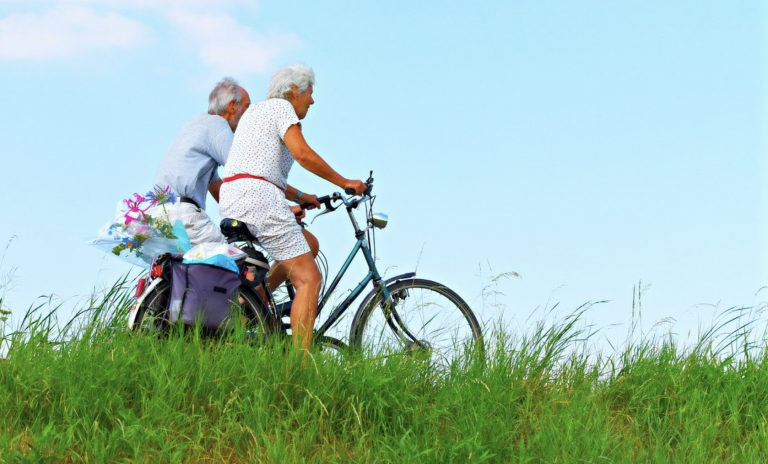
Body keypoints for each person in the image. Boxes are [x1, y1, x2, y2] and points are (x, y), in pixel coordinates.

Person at [220, 64, 366, 353]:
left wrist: (301, 196)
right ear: (295, 91)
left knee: (308, 244)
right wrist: (344, 181)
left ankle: (255, 301)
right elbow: (302, 153)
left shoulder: (256, 113)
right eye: (310, 93)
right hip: (258, 199)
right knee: (309, 278)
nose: (312, 101)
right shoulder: (282, 108)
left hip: (235, 197)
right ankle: (298, 368)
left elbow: (258, 168)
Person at [150, 77, 250, 245]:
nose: (249, 115)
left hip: (159, 215)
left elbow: (218, 188)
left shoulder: (196, 124)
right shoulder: (217, 124)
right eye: (247, 107)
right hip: (183, 215)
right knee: (236, 261)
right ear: (232, 106)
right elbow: (245, 169)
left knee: (186, 269)